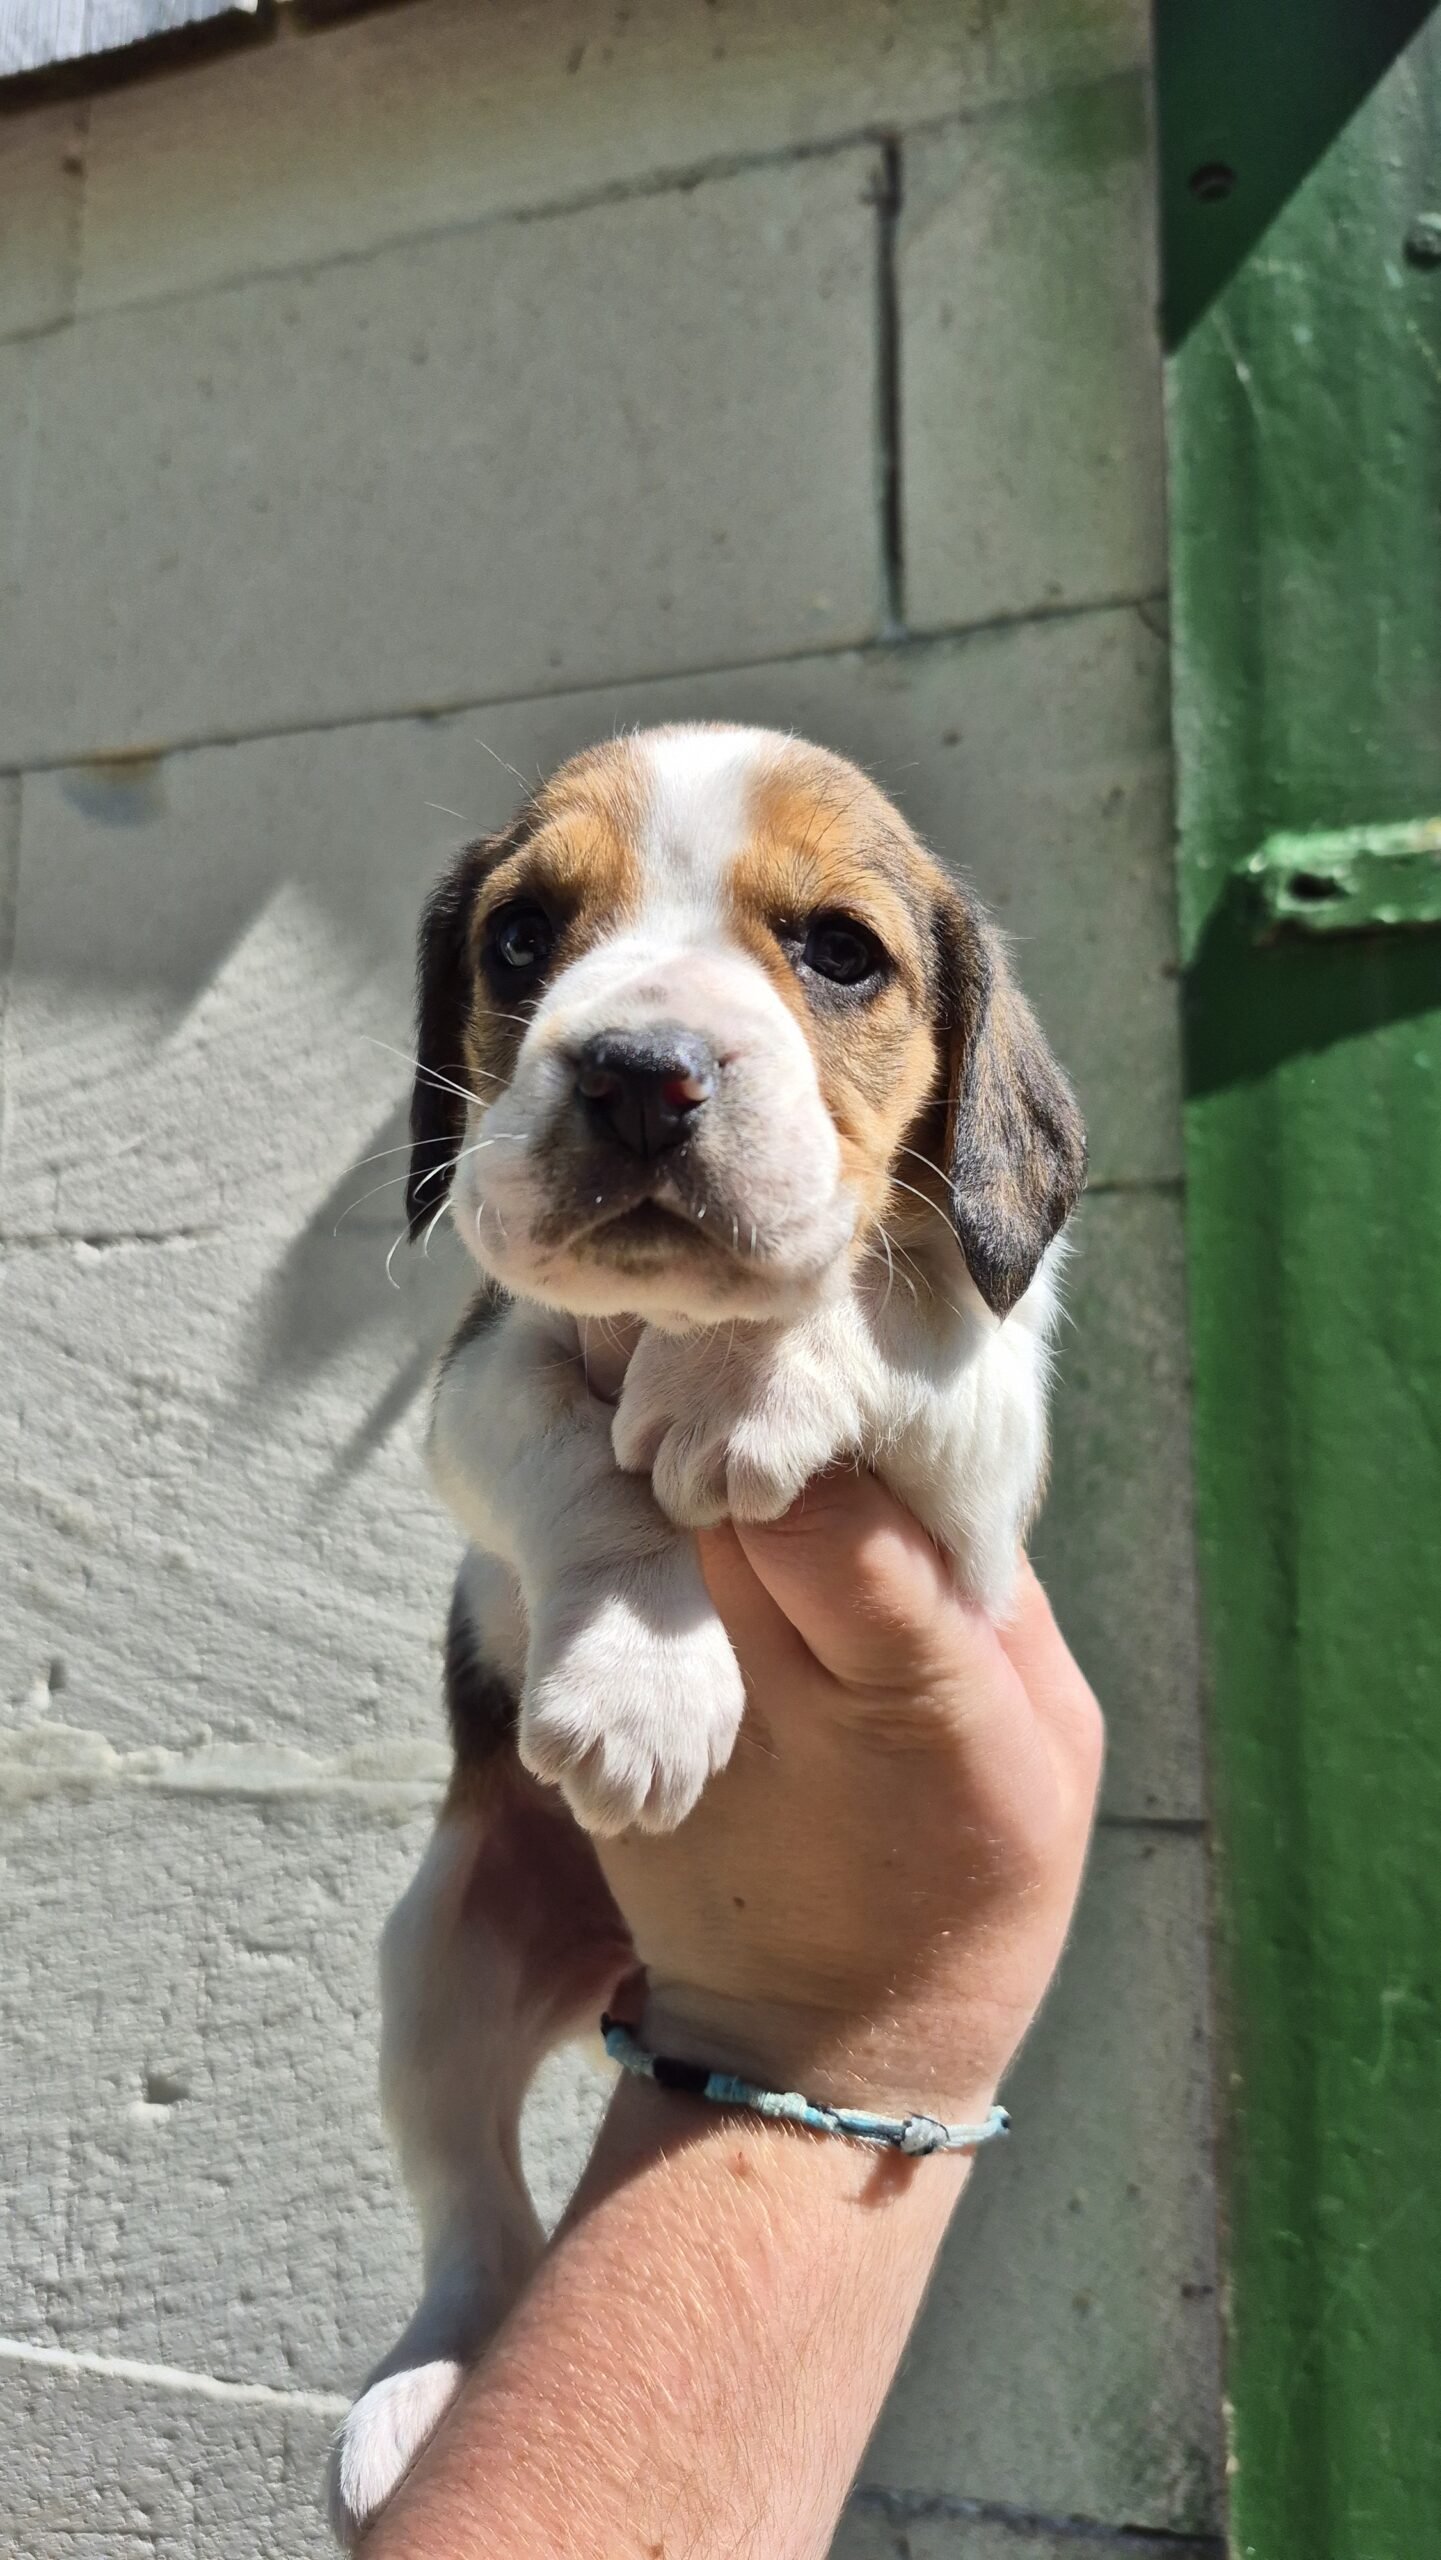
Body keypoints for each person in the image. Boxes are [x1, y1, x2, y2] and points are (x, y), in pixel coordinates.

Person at [363, 1467, 1104, 2560]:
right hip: (538, 1810)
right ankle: (472, 2251)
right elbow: (467, 1437)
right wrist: (841, 2027)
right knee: (437, 1958)